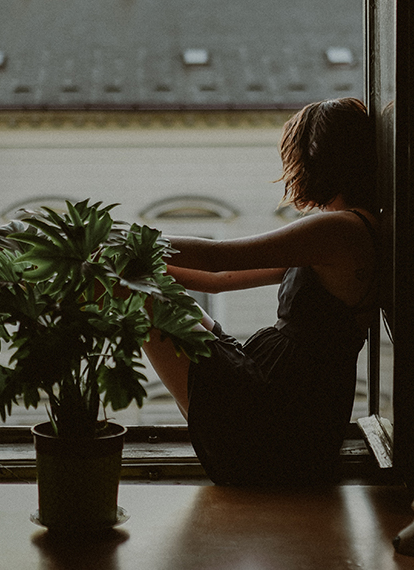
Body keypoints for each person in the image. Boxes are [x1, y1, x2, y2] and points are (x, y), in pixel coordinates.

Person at [143, 97, 380, 485]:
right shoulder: (347, 230)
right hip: (283, 399)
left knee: (138, 298)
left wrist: (135, 243)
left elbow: (218, 257)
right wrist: (146, 268)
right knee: (148, 290)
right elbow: (215, 280)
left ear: (314, 160)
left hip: (278, 414)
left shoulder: (340, 230)